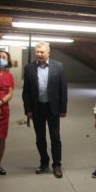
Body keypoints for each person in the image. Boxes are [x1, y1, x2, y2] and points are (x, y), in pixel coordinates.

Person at [22, 41, 67, 179]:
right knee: (40, 138)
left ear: (48, 53)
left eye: (42, 52)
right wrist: (28, 109)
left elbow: (63, 89)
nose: (39, 54)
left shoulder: (58, 66)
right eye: (37, 52)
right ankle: (44, 162)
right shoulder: (29, 68)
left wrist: (62, 108)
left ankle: (57, 164)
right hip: (37, 109)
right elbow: (26, 92)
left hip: (52, 108)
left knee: (55, 137)